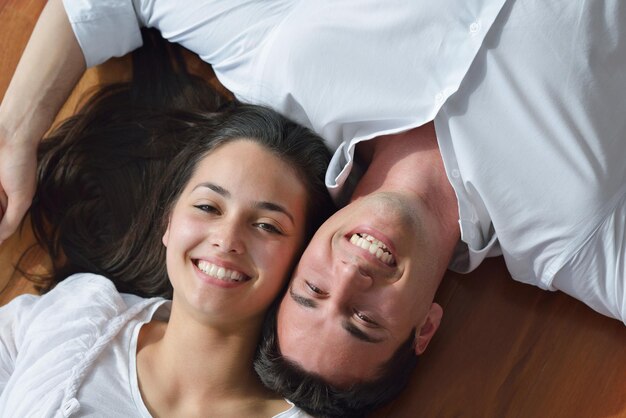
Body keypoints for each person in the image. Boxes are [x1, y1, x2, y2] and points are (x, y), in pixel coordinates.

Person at [1, 0, 625, 416]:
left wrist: (16, 134)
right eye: (364, 320)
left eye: (311, 294)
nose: (352, 277)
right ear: (425, 329)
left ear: (296, 256)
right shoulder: (574, 236)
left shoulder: (285, 66)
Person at [0, 32, 335, 417]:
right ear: (169, 222)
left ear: (300, 260)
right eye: (209, 206)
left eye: (267, 226)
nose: (227, 240)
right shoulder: (80, 312)